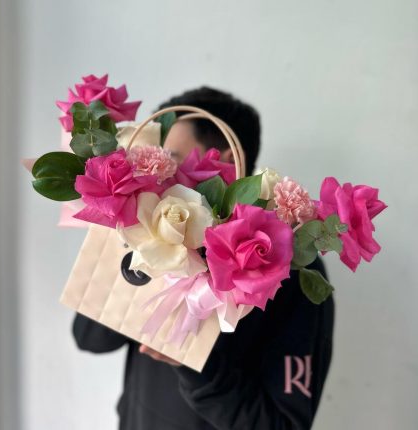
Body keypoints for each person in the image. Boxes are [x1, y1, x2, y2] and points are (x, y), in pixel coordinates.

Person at [72, 87, 334, 430]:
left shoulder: (288, 268)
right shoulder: (150, 240)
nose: (154, 177)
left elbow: (282, 424)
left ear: (223, 163)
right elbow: (89, 339)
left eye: (171, 161)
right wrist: (122, 249)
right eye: (149, 162)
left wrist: (195, 364)